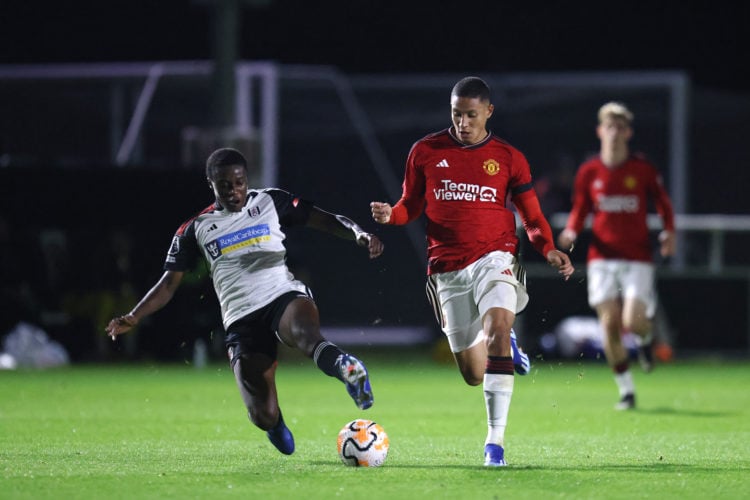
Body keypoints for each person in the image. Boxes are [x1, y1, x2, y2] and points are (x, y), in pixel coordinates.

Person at [106, 147, 384, 455]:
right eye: (225, 185)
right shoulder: (194, 229)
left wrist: (358, 233)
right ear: (210, 182)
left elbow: (327, 220)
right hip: (241, 319)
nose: (234, 191)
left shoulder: (269, 201)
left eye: (239, 182)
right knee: (261, 415)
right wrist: (134, 315)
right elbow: (168, 283)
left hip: (282, 295)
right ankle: (274, 424)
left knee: (307, 336)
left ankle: (348, 369)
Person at [370, 76, 574, 467]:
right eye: (456, 114)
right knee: (473, 374)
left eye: (471, 115)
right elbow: (410, 205)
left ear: (488, 112)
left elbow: (531, 217)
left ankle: (494, 444)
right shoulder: (426, 151)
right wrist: (391, 215)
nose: (463, 123)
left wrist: (547, 248)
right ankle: (505, 347)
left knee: (497, 328)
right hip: (446, 270)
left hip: (495, 257)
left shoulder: (509, 157)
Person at [557, 101, 676, 410]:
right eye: (609, 127)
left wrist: (668, 233)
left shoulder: (642, 169)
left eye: (620, 127)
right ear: (600, 131)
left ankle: (646, 341)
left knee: (633, 322)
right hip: (602, 257)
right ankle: (627, 391)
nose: (614, 133)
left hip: (637, 256)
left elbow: (663, 203)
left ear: (628, 132)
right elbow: (581, 208)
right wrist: (571, 230)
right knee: (609, 325)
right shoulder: (589, 172)